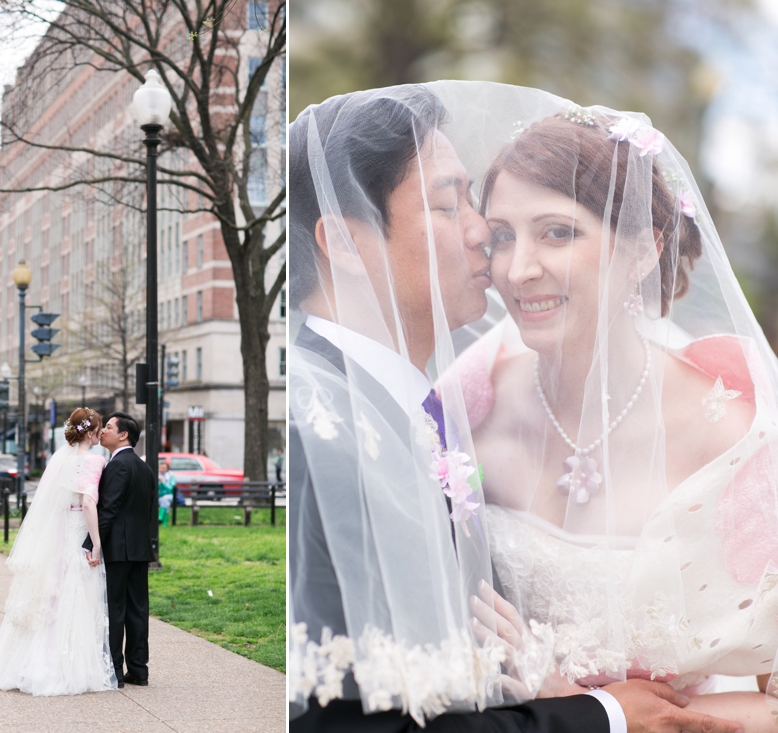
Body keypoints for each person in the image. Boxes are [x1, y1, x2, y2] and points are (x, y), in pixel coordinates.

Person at [289, 84, 745, 733]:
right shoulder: (316, 433)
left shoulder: (437, 408)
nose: (487, 239)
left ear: (645, 247)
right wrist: (602, 716)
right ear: (343, 242)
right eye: (450, 205)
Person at [434, 92, 778, 728]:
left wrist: (595, 712)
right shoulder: (466, 416)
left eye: (558, 233)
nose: (518, 269)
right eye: (503, 236)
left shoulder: (735, 435)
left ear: (643, 250)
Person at [0, 407, 116, 695]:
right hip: (78, 527)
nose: (100, 434)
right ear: (91, 432)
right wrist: (95, 541)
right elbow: (89, 503)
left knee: (49, 593)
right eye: (99, 429)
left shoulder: (60, 459)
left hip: (58, 529)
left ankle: (26, 664)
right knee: (74, 593)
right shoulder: (94, 461)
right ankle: (63, 666)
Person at [84, 412, 157, 687]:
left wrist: (92, 544)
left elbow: (109, 509)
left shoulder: (118, 466)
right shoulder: (144, 467)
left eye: (110, 427)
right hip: (138, 549)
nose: (103, 431)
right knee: (137, 610)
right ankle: (139, 670)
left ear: (123, 435)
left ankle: (114, 670)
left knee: (114, 610)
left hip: (117, 549)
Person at [157, 458, 175, 526]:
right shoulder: (156, 475)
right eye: (161, 467)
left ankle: (160, 517)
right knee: (165, 502)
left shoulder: (171, 476)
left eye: (164, 468)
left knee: (164, 499)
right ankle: (165, 523)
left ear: (167, 468)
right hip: (159, 496)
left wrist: (163, 482)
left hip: (169, 495)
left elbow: (170, 488)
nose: (162, 469)